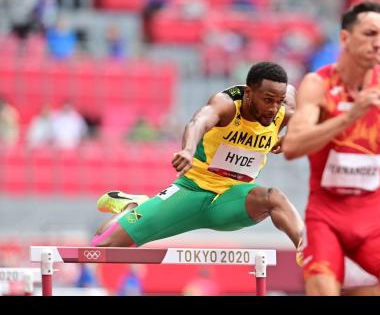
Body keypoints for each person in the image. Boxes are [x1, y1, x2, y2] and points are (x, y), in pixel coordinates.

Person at [283, 0, 380, 296]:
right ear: (345, 38)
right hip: (326, 218)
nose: (378, 43)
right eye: (370, 34)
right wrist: (350, 116)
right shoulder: (318, 84)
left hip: (375, 219)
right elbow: (292, 146)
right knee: (323, 290)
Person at [90, 61, 305, 255]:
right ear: (249, 92)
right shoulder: (227, 105)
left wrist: (292, 136)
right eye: (267, 100)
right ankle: (133, 206)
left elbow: (308, 117)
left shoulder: (285, 108)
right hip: (192, 190)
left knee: (273, 198)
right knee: (102, 247)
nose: (273, 108)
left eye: (279, 101)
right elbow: (198, 122)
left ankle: (308, 253)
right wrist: (188, 150)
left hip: (233, 198)